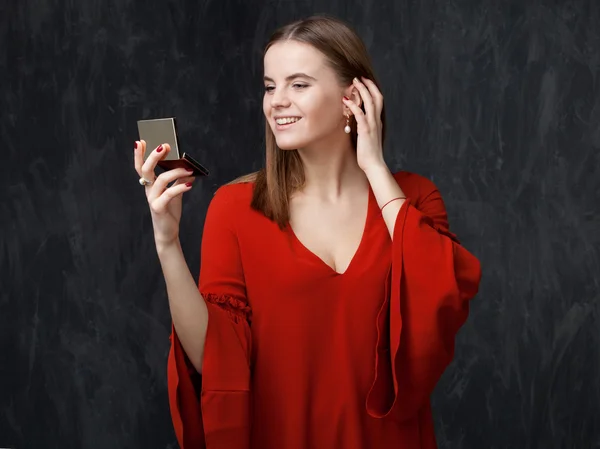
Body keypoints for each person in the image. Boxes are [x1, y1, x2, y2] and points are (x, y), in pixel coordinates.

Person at [133, 14, 481, 449]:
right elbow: (214, 358)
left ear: (351, 97)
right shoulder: (235, 207)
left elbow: (441, 303)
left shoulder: (414, 199)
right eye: (269, 86)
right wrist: (167, 243)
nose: (277, 101)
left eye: (298, 85)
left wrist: (373, 167)